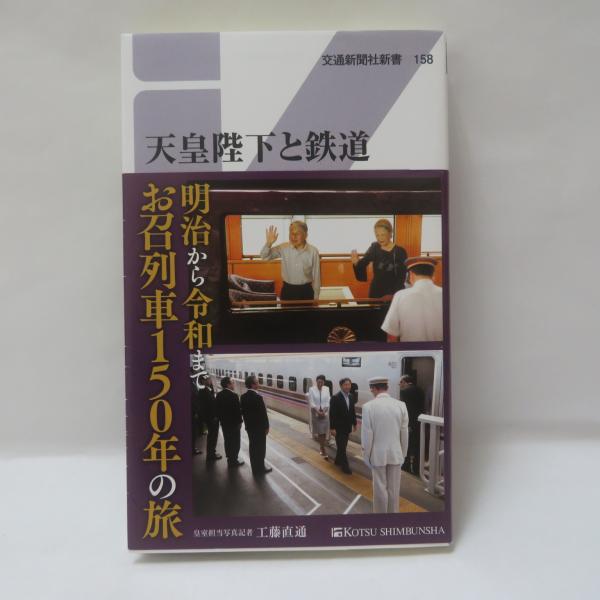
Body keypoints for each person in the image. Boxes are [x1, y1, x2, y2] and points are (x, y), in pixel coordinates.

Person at [361, 376, 409, 513]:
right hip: (396, 454)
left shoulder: (368, 407)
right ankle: (393, 516)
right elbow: (404, 433)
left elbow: (367, 435)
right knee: (394, 489)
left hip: (377, 455)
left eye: (371, 389)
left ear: (374, 388)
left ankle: (380, 518)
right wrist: (403, 454)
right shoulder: (401, 405)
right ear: (386, 388)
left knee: (380, 489)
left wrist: (366, 456)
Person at [381, 257, 443, 342]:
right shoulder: (446, 294)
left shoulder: (400, 296)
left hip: (410, 350)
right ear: (433, 276)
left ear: (411, 274)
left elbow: (392, 335)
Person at [260, 221, 321, 301]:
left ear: (306, 235)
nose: (293, 236)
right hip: (288, 290)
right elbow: (264, 256)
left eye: (297, 233)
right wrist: (268, 243)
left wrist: (316, 297)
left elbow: (316, 276)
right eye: (291, 233)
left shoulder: (313, 251)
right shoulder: (283, 247)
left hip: (306, 291)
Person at [351, 218, 408, 298]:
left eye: (383, 235)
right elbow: (363, 263)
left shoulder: (400, 252)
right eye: (377, 235)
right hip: (376, 291)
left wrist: (393, 295)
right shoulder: (374, 247)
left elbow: (402, 277)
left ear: (390, 233)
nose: (380, 238)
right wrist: (356, 263)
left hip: (394, 292)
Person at [240, 375, 272, 476]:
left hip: (250, 428)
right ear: (253, 385)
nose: (259, 384)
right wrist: (266, 427)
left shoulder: (243, 397)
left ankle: (254, 468)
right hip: (259, 428)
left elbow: (243, 413)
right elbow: (263, 414)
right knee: (261, 448)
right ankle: (261, 468)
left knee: (253, 447)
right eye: (257, 382)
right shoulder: (258, 397)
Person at [329, 377, 357, 475]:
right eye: (345, 384)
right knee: (342, 447)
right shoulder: (335, 398)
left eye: (349, 384)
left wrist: (354, 423)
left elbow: (352, 411)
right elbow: (332, 414)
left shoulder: (351, 396)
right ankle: (345, 467)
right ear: (341, 386)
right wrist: (332, 428)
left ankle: (337, 461)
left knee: (343, 446)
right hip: (338, 427)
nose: (348, 386)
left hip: (347, 427)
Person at [215, 377, 245, 468]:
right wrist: (240, 422)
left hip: (224, 424)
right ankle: (234, 460)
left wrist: (221, 420)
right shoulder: (234, 395)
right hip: (234, 424)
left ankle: (229, 459)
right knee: (235, 442)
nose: (234, 384)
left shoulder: (219, 395)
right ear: (228, 384)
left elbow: (217, 410)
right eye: (232, 383)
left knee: (227, 441)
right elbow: (237, 411)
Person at [399, 374, 425, 475]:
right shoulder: (420, 390)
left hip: (410, 423)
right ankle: (416, 468)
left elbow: (407, 410)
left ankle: (406, 466)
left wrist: (407, 424)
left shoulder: (405, 392)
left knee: (407, 445)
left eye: (400, 383)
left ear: (404, 382)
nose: (399, 385)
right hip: (419, 423)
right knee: (417, 446)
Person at [195, 373, 222, 462]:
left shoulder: (207, 390)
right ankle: (211, 455)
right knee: (212, 437)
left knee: (212, 436)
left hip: (212, 418)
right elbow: (206, 406)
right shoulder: (203, 391)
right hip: (211, 418)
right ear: (203, 381)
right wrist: (212, 417)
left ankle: (212, 453)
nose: (210, 380)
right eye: (208, 379)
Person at [307, 375, 331, 458]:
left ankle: (322, 446)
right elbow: (312, 402)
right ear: (316, 381)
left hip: (325, 413)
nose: (320, 383)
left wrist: (324, 411)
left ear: (324, 382)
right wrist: (318, 412)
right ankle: (322, 448)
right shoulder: (312, 389)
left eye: (322, 382)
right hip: (316, 413)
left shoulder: (327, 389)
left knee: (323, 432)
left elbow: (328, 401)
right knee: (320, 432)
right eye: (319, 382)